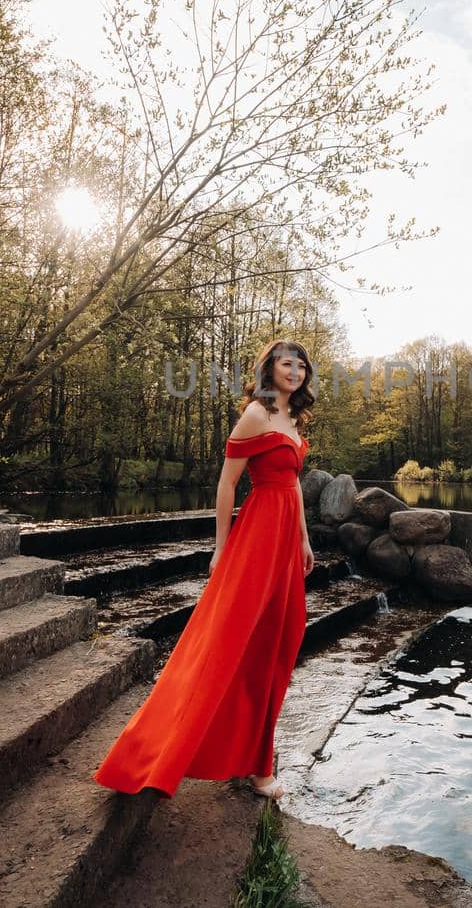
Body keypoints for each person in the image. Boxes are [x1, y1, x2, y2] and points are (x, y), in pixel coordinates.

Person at [93, 339, 317, 801]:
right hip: (255, 539)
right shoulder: (255, 414)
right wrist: (221, 548)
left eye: (301, 365)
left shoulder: (293, 420)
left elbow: (292, 486)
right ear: (269, 369)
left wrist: (304, 539)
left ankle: (254, 759)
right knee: (228, 645)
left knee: (279, 643)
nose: (294, 371)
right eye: (285, 363)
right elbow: (227, 483)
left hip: (285, 544)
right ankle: (176, 755)